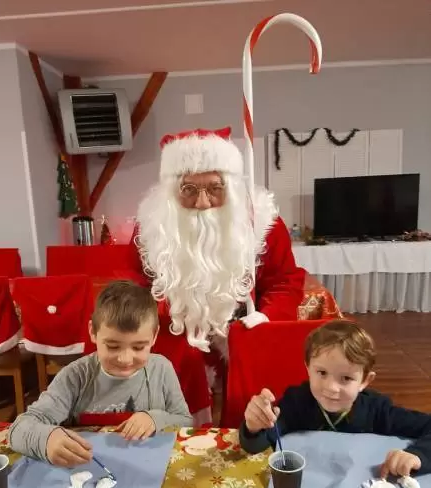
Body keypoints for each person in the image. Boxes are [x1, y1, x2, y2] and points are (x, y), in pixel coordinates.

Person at [127, 127, 305, 422]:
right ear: (172, 190)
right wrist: (165, 313)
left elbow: (284, 281)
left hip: (242, 325)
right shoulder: (150, 227)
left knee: (253, 403)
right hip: (175, 328)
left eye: (214, 188)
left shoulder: (264, 224)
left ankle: (245, 434)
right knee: (172, 397)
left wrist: (266, 317)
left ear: (231, 187)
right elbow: (135, 286)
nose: (202, 203)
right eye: (189, 190)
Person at [8, 280, 193, 467]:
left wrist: (155, 418)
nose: (125, 359)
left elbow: (185, 420)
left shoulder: (161, 370)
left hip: (148, 467)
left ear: (154, 336)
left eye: (138, 347)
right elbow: (19, 429)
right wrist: (47, 439)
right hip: (86, 469)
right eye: (112, 346)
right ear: (93, 332)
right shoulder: (75, 377)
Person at [239, 319, 431, 477]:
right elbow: (257, 444)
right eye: (322, 373)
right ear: (308, 368)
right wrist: (253, 426)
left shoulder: (378, 410)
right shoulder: (296, 403)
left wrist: (417, 456)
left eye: (346, 378)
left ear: (365, 380)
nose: (331, 388)